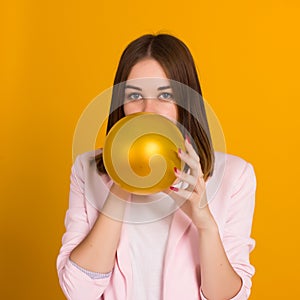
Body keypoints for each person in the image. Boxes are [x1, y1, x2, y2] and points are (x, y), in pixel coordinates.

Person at [57, 34, 256, 300]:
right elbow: (78, 292)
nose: (148, 110)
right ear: (121, 104)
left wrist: (205, 223)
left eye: (164, 95)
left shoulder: (235, 176)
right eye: (135, 95)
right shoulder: (88, 170)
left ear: (185, 104)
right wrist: (121, 182)